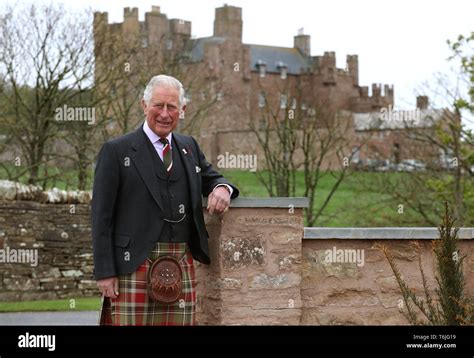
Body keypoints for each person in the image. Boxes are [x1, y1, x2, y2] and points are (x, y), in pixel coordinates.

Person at [91, 74, 239, 325]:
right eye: (158, 105)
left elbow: (212, 178)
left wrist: (223, 188)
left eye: (172, 107)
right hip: (132, 265)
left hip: (180, 260)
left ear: (182, 110)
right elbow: (100, 217)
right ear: (144, 105)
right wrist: (105, 272)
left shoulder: (188, 147)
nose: (164, 114)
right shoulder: (117, 151)